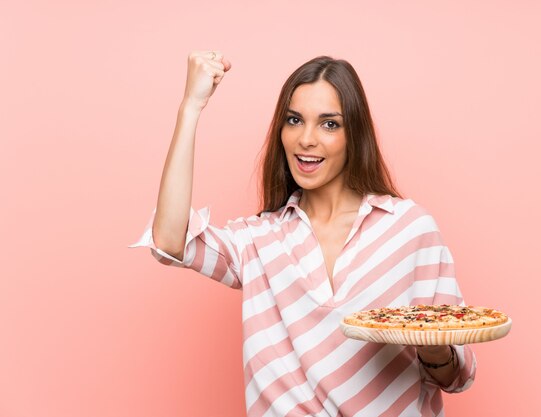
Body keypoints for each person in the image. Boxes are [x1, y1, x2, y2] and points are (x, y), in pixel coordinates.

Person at [130, 50, 476, 417]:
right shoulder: (259, 240)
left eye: (329, 124)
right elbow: (169, 240)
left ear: (354, 135)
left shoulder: (409, 229)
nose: (306, 139)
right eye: (294, 120)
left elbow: (458, 377)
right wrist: (190, 107)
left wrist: (436, 351)